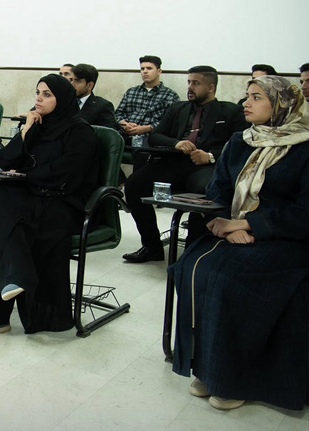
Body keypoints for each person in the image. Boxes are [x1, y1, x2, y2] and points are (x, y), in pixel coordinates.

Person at [171, 75, 309, 411]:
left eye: (257, 97)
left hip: (287, 238)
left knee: (228, 277)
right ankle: (206, 367)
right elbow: (217, 190)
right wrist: (226, 227)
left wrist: (247, 223)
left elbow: (303, 212)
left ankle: (233, 379)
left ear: (282, 104)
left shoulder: (304, 147)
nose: (246, 103)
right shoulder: (241, 140)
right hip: (234, 230)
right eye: (247, 95)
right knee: (189, 265)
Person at [0, 74, 98, 336]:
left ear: (63, 99)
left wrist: (25, 175)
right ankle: (12, 277)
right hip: (35, 196)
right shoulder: (38, 126)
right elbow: (5, 160)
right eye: (37, 93)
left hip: (63, 205)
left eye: (47, 94)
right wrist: (25, 131)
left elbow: (65, 174)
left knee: (3, 223)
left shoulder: (80, 131)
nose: (38, 99)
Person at [122, 66, 246, 263]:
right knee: (134, 184)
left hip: (206, 167)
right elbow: (155, 136)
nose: (190, 87)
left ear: (211, 87)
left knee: (204, 191)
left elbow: (239, 145)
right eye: (189, 82)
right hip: (174, 163)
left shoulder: (231, 111)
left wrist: (210, 156)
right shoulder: (178, 108)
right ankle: (152, 246)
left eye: (195, 83)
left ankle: (192, 250)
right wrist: (176, 143)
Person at [114, 55, 180, 149]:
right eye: (142, 69)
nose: (145, 71)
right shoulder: (131, 92)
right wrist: (125, 125)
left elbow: (171, 122)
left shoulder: (170, 95)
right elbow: (117, 114)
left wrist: (147, 128)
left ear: (159, 71)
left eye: (149, 68)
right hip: (124, 135)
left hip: (150, 138)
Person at [68, 63, 115, 129]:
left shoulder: (103, 106)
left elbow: (107, 133)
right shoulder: (65, 102)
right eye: (71, 80)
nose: (72, 84)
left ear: (89, 85)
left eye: (77, 81)